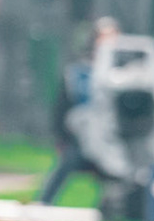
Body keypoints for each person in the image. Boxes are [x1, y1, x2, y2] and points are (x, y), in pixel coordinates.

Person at [37, 17, 120, 205]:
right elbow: (62, 109)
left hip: (116, 145)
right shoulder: (78, 74)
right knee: (67, 163)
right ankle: (43, 204)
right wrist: (63, 139)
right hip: (82, 143)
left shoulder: (125, 74)